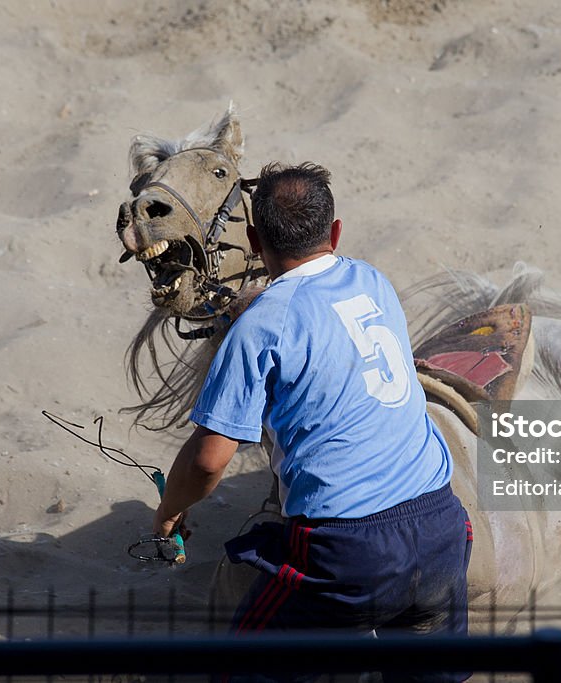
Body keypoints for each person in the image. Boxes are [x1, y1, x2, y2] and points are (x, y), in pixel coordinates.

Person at [153, 161, 472, 678]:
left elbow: (209, 460)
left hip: (347, 551)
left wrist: (170, 509)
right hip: (443, 530)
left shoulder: (260, 326)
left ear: (255, 242)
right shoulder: (375, 281)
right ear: (336, 231)